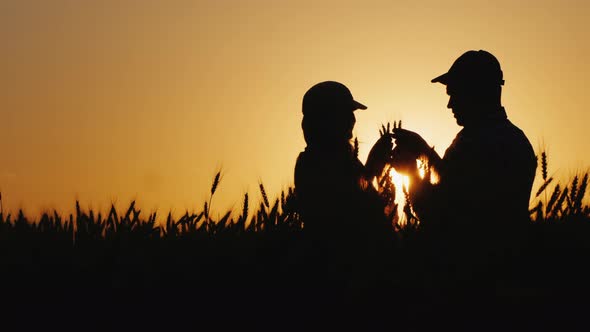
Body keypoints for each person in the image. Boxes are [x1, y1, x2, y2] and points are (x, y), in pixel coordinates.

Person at [391, 50, 537, 230]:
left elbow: (439, 214)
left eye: (455, 93)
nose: (450, 104)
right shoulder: (517, 139)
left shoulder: (473, 144)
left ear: (475, 92)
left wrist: (412, 173)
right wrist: (424, 150)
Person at [294, 81, 393, 247]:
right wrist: (372, 169)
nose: (353, 119)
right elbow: (346, 213)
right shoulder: (314, 164)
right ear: (327, 119)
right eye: (346, 113)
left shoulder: (342, 158)